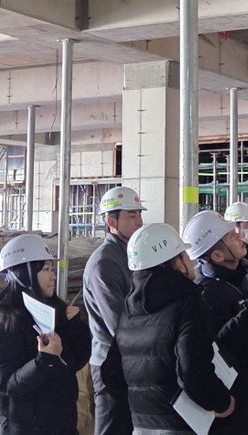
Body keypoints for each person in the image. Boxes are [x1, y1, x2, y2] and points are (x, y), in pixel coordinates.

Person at [116, 223, 234, 434]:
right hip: (183, 424)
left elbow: (110, 372)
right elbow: (193, 370)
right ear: (177, 264)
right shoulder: (189, 305)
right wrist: (222, 402)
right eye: (185, 255)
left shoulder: (128, 311)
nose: (190, 260)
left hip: (141, 424)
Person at [182, 210, 248, 434]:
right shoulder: (207, 294)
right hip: (230, 400)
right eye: (231, 236)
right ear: (217, 256)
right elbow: (207, 351)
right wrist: (241, 324)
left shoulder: (239, 279)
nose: (240, 236)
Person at [0, 234, 90, 434]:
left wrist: (76, 327)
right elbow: (8, 385)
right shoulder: (6, 320)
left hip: (63, 425)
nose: (53, 276)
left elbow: (75, 362)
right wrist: (44, 361)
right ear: (24, 273)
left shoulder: (54, 309)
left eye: (52, 269)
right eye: (46, 269)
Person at [83, 186, 145, 434]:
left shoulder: (130, 255)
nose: (139, 221)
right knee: (113, 426)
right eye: (132, 215)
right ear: (111, 222)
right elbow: (118, 322)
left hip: (131, 358)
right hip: (111, 362)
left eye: (139, 214)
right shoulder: (105, 262)